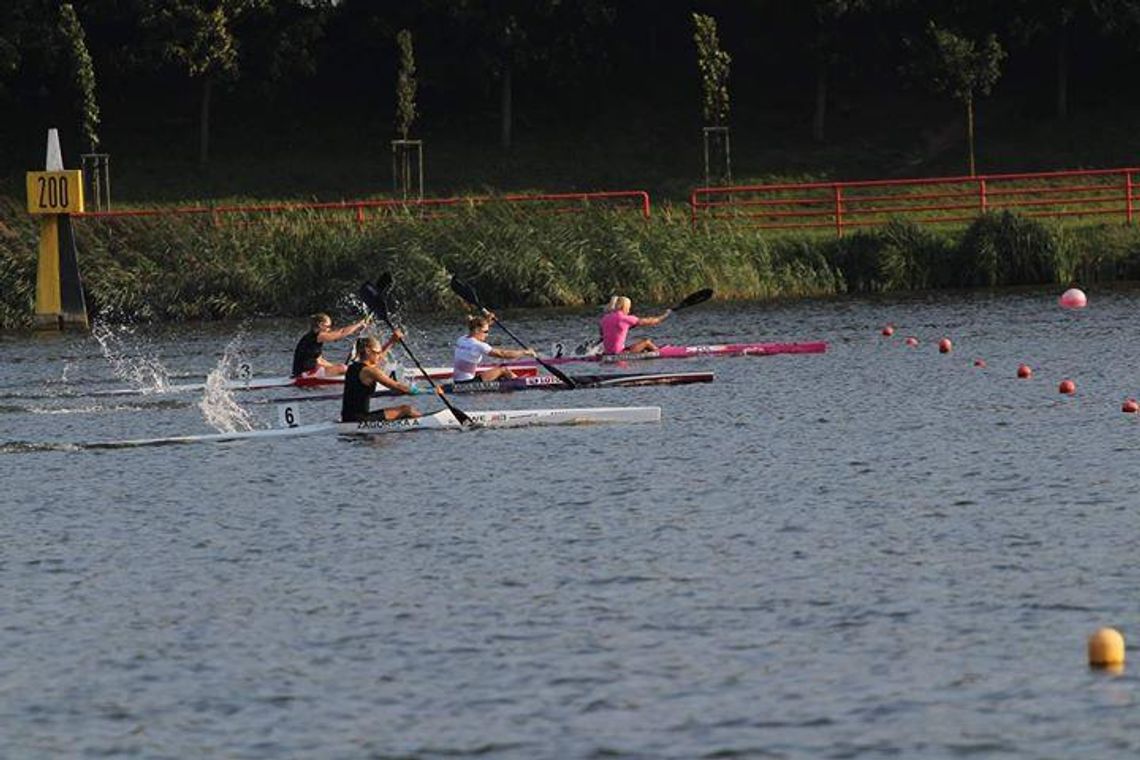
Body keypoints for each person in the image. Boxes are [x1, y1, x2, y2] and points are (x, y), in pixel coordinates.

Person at [341, 334, 436, 422]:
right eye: (377, 352)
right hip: (360, 419)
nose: (379, 356)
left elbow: (379, 358)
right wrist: (430, 391)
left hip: (347, 417)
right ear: (368, 351)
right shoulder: (370, 371)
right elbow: (398, 387)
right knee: (407, 410)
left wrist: (392, 341)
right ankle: (427, 422)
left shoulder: (353, 367)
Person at [453, 314, 537, 382]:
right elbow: (502, 354)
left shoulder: (461, 339)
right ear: (477, 330)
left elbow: (474, 325)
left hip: (457, 381)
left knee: (499, 377)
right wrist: (525, 352)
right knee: (503, 369)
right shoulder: (478, 345)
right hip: (468, 383)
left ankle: (509, 383)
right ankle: (521, 383)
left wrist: (488, 322)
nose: (487, 335)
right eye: (486, 332)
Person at [292, 312, 369, 378]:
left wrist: (334, 367)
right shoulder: (319, 336)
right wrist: (358, 325)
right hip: (304, 374)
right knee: (343, 368)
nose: (329, 329)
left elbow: (319, 361)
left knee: (342, 367)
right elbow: (341, 333)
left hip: (303, 372)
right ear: (321, 325)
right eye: (328, 326)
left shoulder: (312, 338)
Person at [599, 296, 671, 354]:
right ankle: (660, 352)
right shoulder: (625, 319)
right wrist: (663, 316)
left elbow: (603, 335)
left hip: (607, 352)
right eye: (628, 308)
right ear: (624, 307)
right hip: (619, 353)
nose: (629, 311)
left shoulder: (604, 319)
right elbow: (649, 321)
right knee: (646, 342)